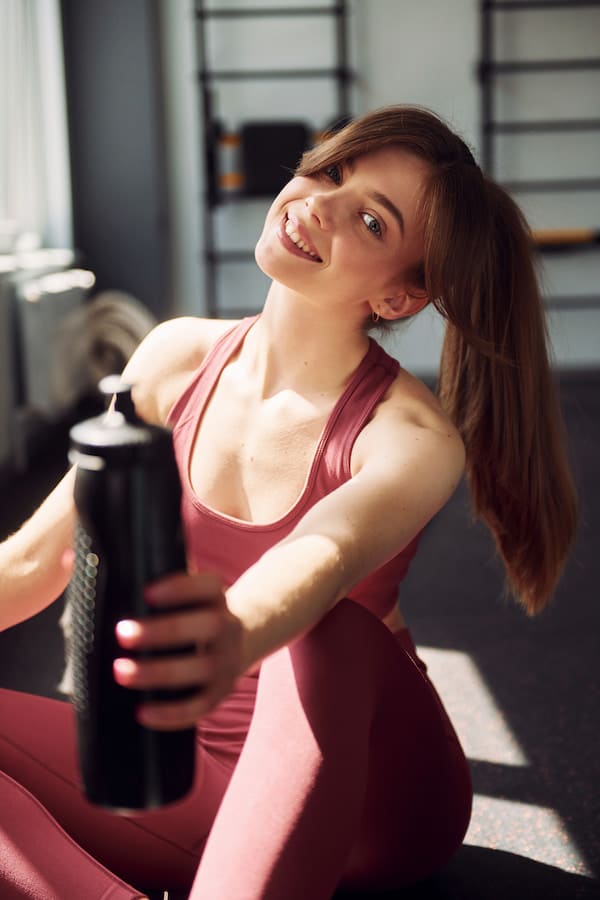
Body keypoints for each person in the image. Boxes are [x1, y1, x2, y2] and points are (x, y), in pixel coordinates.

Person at [0, 105, 577, 899]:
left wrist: (233, 633)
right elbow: (36, 560)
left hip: (368, 806)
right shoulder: (173, 359)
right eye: (329, 171)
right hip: (184, 778)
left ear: (400, 299)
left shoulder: (409, 437)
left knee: (327, 629)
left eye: (371, 220)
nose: (321, 204)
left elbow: (326, 552)